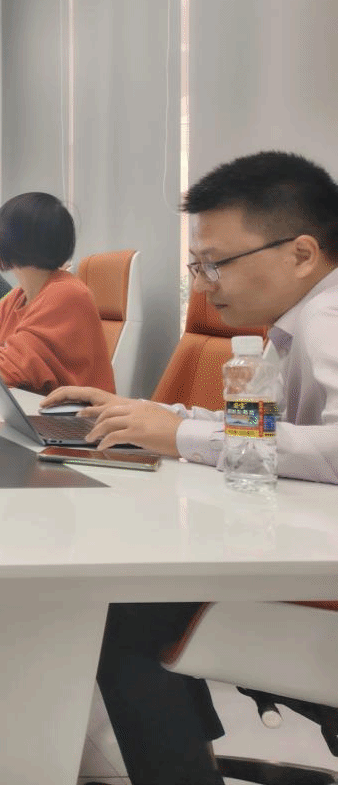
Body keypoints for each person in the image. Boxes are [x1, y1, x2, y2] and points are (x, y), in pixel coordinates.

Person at [43, 151, 338, 785]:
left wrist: (179, 435)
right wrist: (147, 413)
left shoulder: (327, 319)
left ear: (301, 253)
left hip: (322, 583)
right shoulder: (296, 323)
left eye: (216, 263)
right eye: (196, 265)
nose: (203, 285)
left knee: (125, 611)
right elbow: (255, 425)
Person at [0, 191, 115, 395]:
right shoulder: (17, 297)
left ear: (16, 240)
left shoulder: (67, 294)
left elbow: (5, 369)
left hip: (73, 413)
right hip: (34, 407)